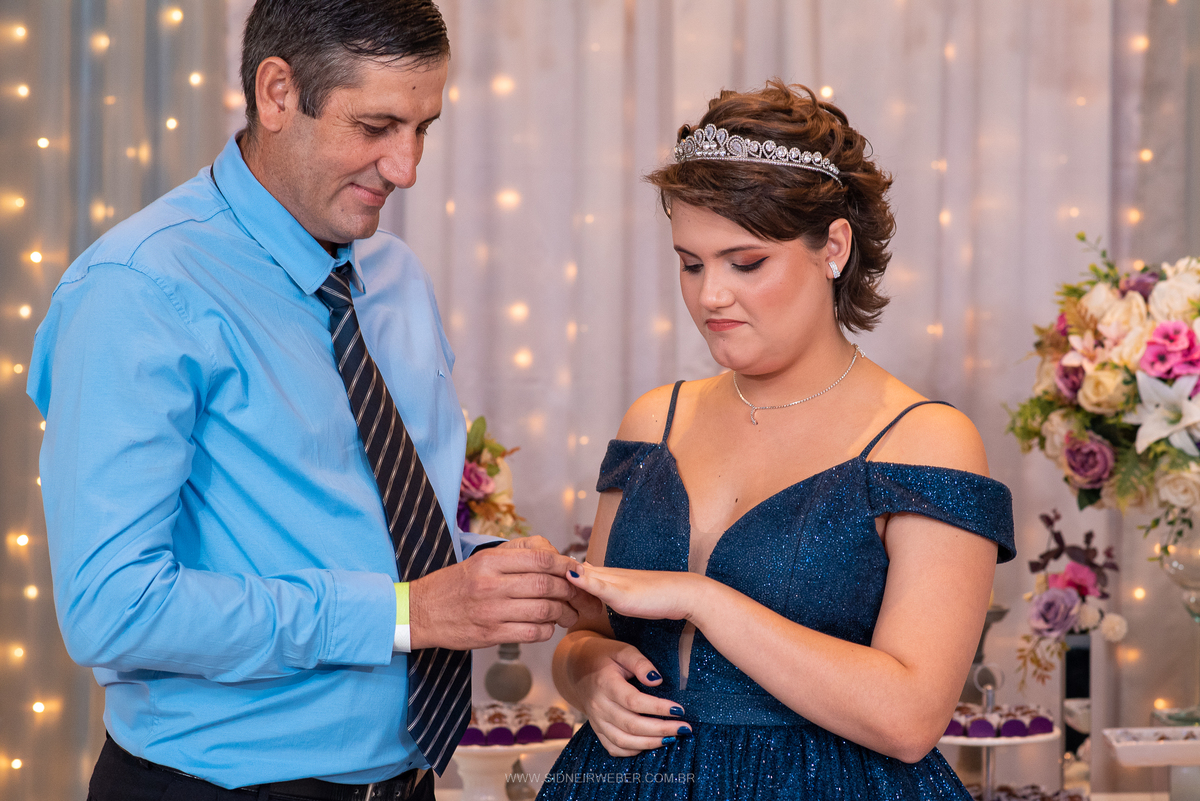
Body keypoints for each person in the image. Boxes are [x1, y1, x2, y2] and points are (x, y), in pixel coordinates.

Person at [27, 2, 581, 800]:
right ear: (278, 93)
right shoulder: (139, 288)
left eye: (422, 128)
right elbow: (113, 607)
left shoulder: (396, 277)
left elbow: (373, 529)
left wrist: (498, 578)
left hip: (409, 781)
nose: (406, 168)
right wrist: (404, 615)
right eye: (377, 127)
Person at [542, 81, 1015, 800]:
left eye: (746, 262)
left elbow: (910, 718)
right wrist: (584, 672)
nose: (710, 295)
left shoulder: (925, 440)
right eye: (691, 263)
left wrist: (703, 599)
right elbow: (587, 629)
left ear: (834, 247)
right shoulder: (654, 420)